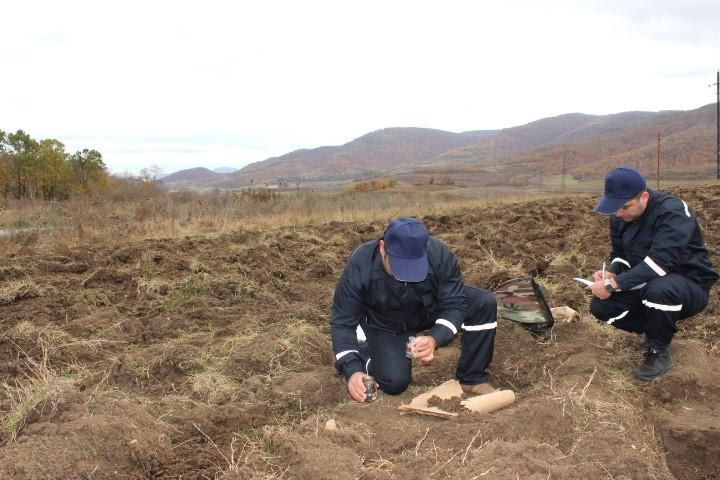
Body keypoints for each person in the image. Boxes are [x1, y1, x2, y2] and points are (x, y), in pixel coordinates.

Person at [330, 217, 497, 402]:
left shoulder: (439, 255)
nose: (406, 276)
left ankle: (472, 378)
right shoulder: (361, 265)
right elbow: (342, 322)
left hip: (428, 308)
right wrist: (352, 371)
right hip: (385, 323)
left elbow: (455, 304)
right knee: (395, 383)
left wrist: (435, 337)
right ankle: (364, 347)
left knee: (483, 302)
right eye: (399, 266)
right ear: (383, 247)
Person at [588, 166, 718, 380]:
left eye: (625, 207)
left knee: (660, 290)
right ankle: (658, 327)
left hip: (689, 284)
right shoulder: (620, 216)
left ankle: (658, 350)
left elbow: (660, 264)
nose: (619, 213)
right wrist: (612, 274)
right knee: (601, 306)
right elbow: (620, 253)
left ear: (644, 197)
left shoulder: (673, 212)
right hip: (646, 283)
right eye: (615, 208)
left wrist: (614, 285)